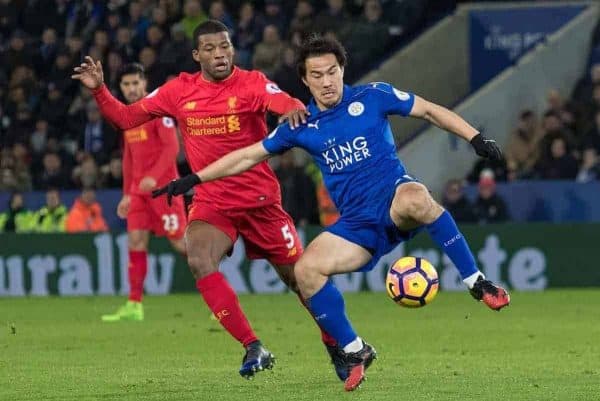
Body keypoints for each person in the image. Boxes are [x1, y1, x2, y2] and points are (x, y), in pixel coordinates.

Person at [153, 35, 511, 391]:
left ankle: (476, 281)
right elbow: (248, 155)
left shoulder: (373, 96)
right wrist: (195, 178)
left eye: (332, 72)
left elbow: (430, 110)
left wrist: (475, 138)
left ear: (343, 71)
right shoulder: (301, 125)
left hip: (393, 199)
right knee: (306, 271)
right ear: (305, 81)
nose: (327, 82)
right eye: (317, 75)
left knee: (416, 198)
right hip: (358, 225)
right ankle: (356, 350)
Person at [72, 20, 339, 379]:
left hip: (260, 201)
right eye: (211, 49)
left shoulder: (251, 82)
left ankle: (335, 343)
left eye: (225, 47)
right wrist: (100, 90)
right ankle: (253, 346)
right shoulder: (177, 91)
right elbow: (124, 117)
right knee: (198, 257)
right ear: (197, 55)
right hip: (213, 201)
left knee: (301, 281)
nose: (220, 54)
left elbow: (278, 98)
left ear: (233, 49)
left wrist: (291, 104)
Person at [100, 63, 187, 323]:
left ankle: (218, 289)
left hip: (165, 189)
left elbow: (172, 148)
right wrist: (127, 193)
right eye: (125, 85)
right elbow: (129, 159)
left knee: (181, 244)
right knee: (135, 243)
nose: (130, 89)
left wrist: (153, 176)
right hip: (138, 193)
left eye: (135, 83)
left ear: (144, 83)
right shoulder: (128, 117)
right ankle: (134, 304)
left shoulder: (159, 110)